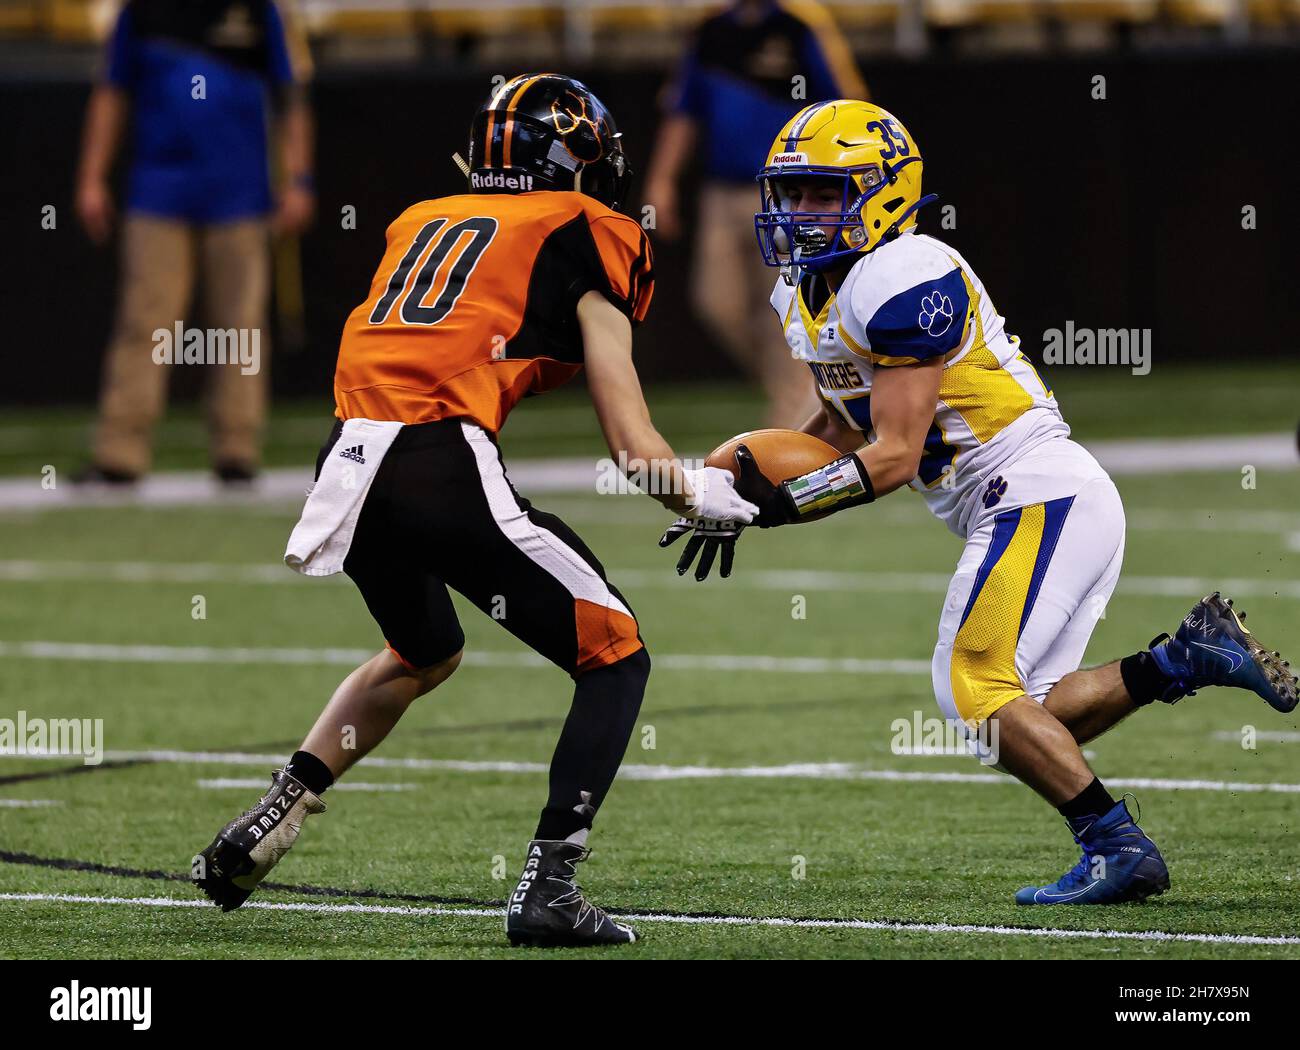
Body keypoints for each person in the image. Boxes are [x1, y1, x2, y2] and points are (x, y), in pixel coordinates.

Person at [664, 99, 1298, 904]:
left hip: (1036, 489)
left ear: (884, 190)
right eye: (791, 195)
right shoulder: (807, 293)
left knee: (969, 688)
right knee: (1015, 722)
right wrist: (745, 484)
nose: (799, 213)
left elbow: (891, 456)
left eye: (824, 193)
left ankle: (1118, 848)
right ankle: (1184, 657)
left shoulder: (905, 274)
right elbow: (839, 419)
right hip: (1027, 501)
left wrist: (779, 508)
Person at [192, 74, 757, 947]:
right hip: (434, 459)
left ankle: (282, 807)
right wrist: (711, 497)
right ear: (576, 161)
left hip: (346, 458)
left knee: (422, 652)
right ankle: (550, 885)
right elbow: (634, 446)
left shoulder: (418, 220)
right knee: (616, 655)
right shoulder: (586, 230)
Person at [75, 0, 315, 484]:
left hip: (241, 194)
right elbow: (111, 93)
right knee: (145, 321)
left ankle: (237, 450)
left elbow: (290, 97)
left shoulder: (261, 11)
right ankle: (120, 453)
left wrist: (299, 178)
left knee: (241, 326)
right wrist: (92, 177)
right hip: (159, 190)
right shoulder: (141, 12)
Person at [644, 0, 866, 427]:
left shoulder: (800, 25)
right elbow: (682, 111)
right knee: (716, 303)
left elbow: (849, 105)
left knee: (789, 302)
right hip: (721, 192)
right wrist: (661, 182)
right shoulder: (710, 31)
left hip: (789, 194)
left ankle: (793, 426)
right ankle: (809, 387)